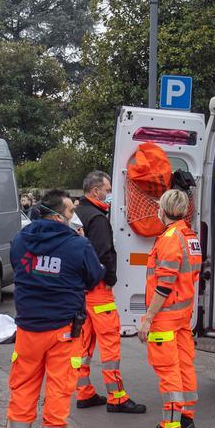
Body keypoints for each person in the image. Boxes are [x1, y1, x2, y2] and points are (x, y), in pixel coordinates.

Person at [4, 189, 104, 428]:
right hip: (63, 329)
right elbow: (95, 276)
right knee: (59, 389)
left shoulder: (22, 239)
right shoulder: (77, 244)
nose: (73, 216)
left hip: (28, 327)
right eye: (71, 212)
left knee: (23, 384)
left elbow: (17, 266)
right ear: (58, 214)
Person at [74, 171, 148, 415]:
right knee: (110, 346)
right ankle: (117, 397)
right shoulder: (97, 218)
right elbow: (103, 252)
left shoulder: (76, 215)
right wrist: (110, 278)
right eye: (107, 190)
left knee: (83, 345)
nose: (108, 195)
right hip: (98, 292)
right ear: (95, 191)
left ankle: (83, 392)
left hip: (81, 291)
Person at [137, 188, 201, 428]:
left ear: (162, 210)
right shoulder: (190, 235)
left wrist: (148, 319)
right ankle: (186, 419)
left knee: (168, 371)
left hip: (165, 316)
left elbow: (164, 283)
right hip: (182, 315)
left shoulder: (169, 239)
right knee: (185, 366)